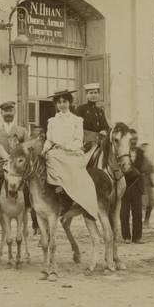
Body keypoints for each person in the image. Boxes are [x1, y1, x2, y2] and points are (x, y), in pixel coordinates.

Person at [43, 90, 99, 219]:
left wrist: (65, 147)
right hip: (56, 152)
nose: (62, 105)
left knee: (57, 157)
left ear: (69, 103)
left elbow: (78, 140)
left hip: (72, 152)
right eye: (59, 102)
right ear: (56, 104)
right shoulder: (52, 121)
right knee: (48, 157)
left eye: (65, 101)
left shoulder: (77, 120)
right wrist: (45, 149)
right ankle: (52, 191)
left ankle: (68, 193)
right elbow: (49, 139)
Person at [0, 101, 29, 231]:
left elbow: (28, 151)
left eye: (11, 111)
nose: (8, 113)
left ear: (14, 112)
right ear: (1, 113)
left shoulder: (22, 131)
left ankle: (36, 222)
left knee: (31, 187)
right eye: (5, 111)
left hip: (18, 167)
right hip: (1, 167)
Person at [75, 82, 110, 153]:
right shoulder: (81, 109)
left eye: (95, 92)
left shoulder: (100, 111)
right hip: (86, 144)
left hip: (100, 143)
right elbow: (77, 128)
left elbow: (106, 127)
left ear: (99, 94)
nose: (93, 95)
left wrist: (104, 131)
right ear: (86, 95)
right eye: (91, 93)